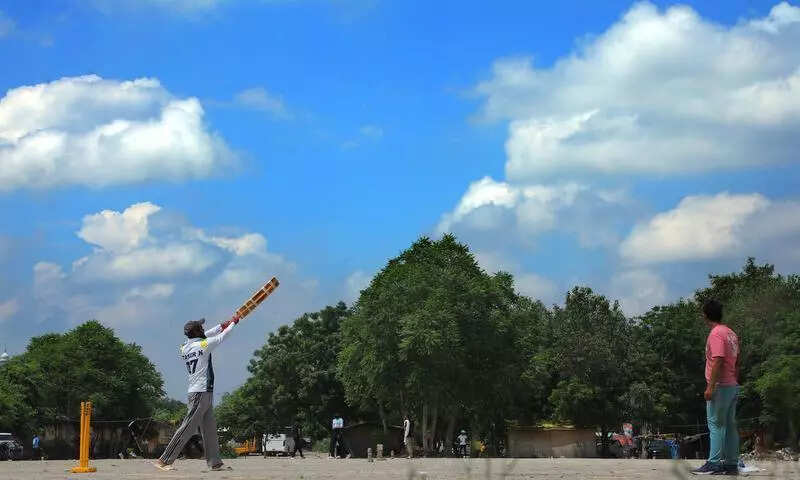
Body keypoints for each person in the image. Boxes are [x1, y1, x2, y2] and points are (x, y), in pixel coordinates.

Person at [153, 315, 239, 472]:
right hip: (200, 393)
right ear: (198, 331)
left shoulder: (185, 347)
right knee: (187, 427)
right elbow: (222, 337)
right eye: (201, 327)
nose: (204, 328)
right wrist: (233, 323)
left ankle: (215, 463)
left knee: (209, 430)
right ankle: (164, 460)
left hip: (202, 392)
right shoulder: (204, 344)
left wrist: (222, 325)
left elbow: (208, 335)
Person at [691, 299, 740, 476]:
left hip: (720, 386)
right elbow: (737, 361)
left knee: (716, 425)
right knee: (730, 425)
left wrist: (711, 387)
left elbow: (718, 359)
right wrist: (735, 380)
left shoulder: (716, 334)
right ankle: (731, 464)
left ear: (705, 315)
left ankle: (713, 463)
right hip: (732, 385)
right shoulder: (731, 333)